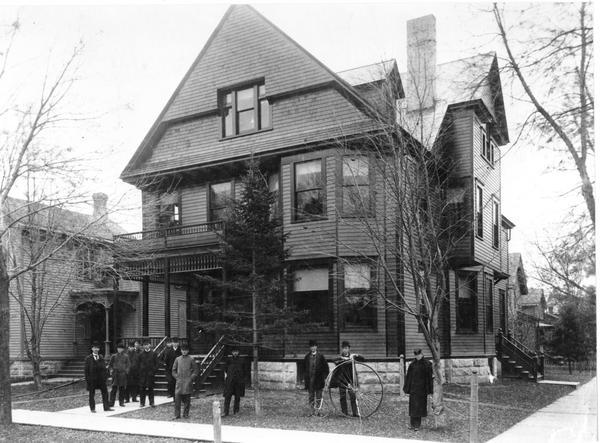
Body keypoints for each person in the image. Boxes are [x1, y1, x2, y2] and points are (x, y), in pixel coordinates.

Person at [403, 348, 433, 431]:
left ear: (421, 354)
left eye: (418, 355)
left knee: (419, 407)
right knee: (413, 407)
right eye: (416, 355)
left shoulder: (427, 364)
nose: (417, 357)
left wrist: (430, 390)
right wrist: (407, 389)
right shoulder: (412, 365)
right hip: (413, 389)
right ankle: (412, 425)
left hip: (422, 390)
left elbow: (429, 379)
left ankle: (417, 425)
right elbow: (408, 378)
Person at [333, 341, 365, 417]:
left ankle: (355, 413)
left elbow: (363, 359)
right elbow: (333, 359)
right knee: (342, 396)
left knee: (353, 396)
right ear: (342, 349)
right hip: (342, 380)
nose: (345, 350)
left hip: (351, 379)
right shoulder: (339, 357)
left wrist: (356, 355)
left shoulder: (352, 357)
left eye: (346, 348)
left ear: (349, 349)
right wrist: (342, 358)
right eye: (344, 348)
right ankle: (344, 413)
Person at [84, 341, 112, 413]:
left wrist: (105, 377)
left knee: (105, 393)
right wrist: (88, 381)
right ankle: (92, 408)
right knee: (91, 394)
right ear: (92, 349)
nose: (96, 349)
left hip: (101, 380)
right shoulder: (88, 358)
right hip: (92, 380)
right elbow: (86, 371)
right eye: (94, 348)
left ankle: (106, 407)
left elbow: (104, 368)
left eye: (97, 348)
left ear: (99, 349)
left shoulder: (101, 357)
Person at [172, 343, 198, 419]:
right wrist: (177, 377)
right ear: (181, 351)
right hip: (179, 382)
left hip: (187, 382)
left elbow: (196, 370)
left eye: (185, 350)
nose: (184, 352)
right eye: (183, 350)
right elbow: (173, 370)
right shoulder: (177, 359)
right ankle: (177, 415)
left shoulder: (191, 359)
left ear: (188, 351)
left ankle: (186, 414)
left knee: (187, 399)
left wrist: (191, 378)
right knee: (177, 399)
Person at [303, 340, 329, 416]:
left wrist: (324, 378)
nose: (313, 348)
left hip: (319, 380)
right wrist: (305, 378)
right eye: (311, 346)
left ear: (316, 347)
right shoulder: (307, 357)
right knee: (311, 396)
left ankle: (318, 411)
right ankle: (311, 411)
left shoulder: (321, 356)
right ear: (310, 348)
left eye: (314, 346)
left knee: (319, 396)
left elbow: (326, 368)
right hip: (310, 380)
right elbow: (304, 369)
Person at [222, 346, 246, 417]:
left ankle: (236, 412)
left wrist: (241, 379)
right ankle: (225, 412)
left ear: (238, 352)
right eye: (234, 351)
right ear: (232, 352)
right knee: (227, 397)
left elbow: (245, 371)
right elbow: (225, 370)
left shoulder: (242, 360)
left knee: (237, 397)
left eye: (236, 351)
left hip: (238, 382)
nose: (235, 353)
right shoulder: (228, 360)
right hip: (230, 382)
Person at [138, 339, 159, 407]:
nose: (146, 346)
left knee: (151, 389)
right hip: (143, 374)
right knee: (142, 389)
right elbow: (138, 363)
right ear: (143, 346)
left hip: (150, 374)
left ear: (149, 345)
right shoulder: (140, 354)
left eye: (147, 344)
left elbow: (157, 364)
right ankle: (142, 402)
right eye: (145, 345)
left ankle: (152, 402)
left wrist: (153, 371)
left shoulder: (153, 354)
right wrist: (140, 371)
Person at [108, 342, 130, 407]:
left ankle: (121, 402)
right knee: (114, 388)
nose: (119, 349)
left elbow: (128, 365)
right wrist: (111, 371)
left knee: (122, 388)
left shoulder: (126, 356)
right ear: (117, 349)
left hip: (122, 374)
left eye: (121, 348)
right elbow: (110, 365)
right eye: (118, 348)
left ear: (123, 349)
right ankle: (111, 402)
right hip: (115, 374)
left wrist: (126, 372)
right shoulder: (113, 356)